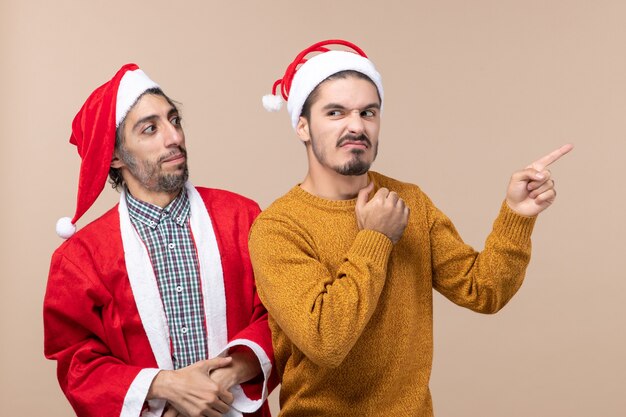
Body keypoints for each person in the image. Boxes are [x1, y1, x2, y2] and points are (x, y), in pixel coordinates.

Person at [250, 40, 573, 416]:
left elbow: (483, 290)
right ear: (302, 126)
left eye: (368, 112)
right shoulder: (278, 228)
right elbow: (326, 340)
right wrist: (375, 238)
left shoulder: (410, 201)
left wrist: (517, 215)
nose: (356, 126)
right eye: (335, 112)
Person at [44, 64, 276, 417]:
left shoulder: (241, 217)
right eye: (150, 129)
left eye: (175, 120)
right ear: (115, 155)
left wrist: (231, 373)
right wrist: (163, 385)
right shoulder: (81, 258)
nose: (174, 137)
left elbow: (280, 315)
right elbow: (77, 362)